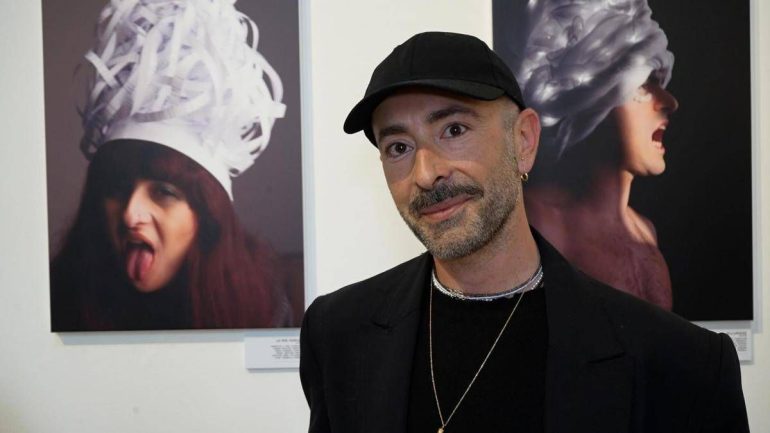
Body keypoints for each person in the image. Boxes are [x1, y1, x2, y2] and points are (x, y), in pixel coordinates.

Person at [299, 32, 749, 432]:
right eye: (398, 146)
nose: (426, 173)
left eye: (454, 129)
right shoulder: (337, 336)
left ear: (524, 141)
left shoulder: (681, 365)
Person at [50, 0, 290, 331]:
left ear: (207, 217)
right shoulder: (58, 303)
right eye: (116, 188)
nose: (130, 214)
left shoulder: (265, 312)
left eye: (163, 192)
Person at [495, 0, 678, 309]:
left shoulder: (645, 232)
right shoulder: (541, 222)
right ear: (594, 97)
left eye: (660, 82)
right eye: (644, 84)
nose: (670, 102)